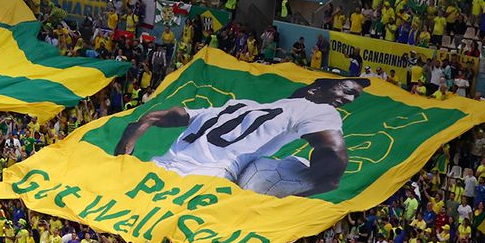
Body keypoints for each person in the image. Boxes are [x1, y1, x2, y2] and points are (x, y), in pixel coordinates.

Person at [114, 78, 370, 197]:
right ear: (315, 90)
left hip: (154, 173)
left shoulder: (233, 106)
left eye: (353, 97)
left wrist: (127, 145)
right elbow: (335, 154)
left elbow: (158, 117)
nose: (347, 100)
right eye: (347, 91)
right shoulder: (315, 109)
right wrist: (317, 184)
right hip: (202, 185)